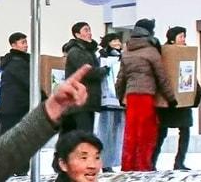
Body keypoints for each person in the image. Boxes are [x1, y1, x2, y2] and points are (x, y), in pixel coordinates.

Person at [115, 19, 174, 172]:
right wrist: (171, 98)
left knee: (131, 132)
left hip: (131, 96)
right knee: (146, 132)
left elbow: (121, 78)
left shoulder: (127, 51)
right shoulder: (151, 51)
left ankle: (128, 165)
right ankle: (143, 165)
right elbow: (162, 77)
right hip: (146, 95)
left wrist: (119, 96)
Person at [153, 27, 201, 171]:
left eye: (184, 36)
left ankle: (179, 161)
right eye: (181, 36)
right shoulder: (163, 53)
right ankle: (152, 161)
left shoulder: (186, 52)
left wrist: (196, 95)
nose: (183, 39)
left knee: (185, 130)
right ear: (172, 39)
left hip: (183, 100)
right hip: (167, 100)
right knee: (161, 133)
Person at [62, 22, 104, 134]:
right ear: (77, 34)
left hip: (88, 100)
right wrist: (104, 70)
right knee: (84, 134)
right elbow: (86, 72)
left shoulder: (89, 51)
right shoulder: (76, 51)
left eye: (89, 30)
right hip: (79, 100)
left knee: (85, 133)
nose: (90, 33)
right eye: (86, 30)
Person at [95, 32, 125, 171]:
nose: (117, 43)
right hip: (107, 99)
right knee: (106, 133)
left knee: (118, 132)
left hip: (120, 100)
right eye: (114, 41)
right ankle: (105, 163)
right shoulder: (102, 57)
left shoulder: (123, 57)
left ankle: (114, 161)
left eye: (118, 40)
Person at [0, 32, 31, 133]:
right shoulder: (16, 62)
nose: (26, 45)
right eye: (22, 42)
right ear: (13, 45)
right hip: (14, 108)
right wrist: (45, 98)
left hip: (13, 108)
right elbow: (28, 82)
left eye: (26, 42)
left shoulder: (19, 60)